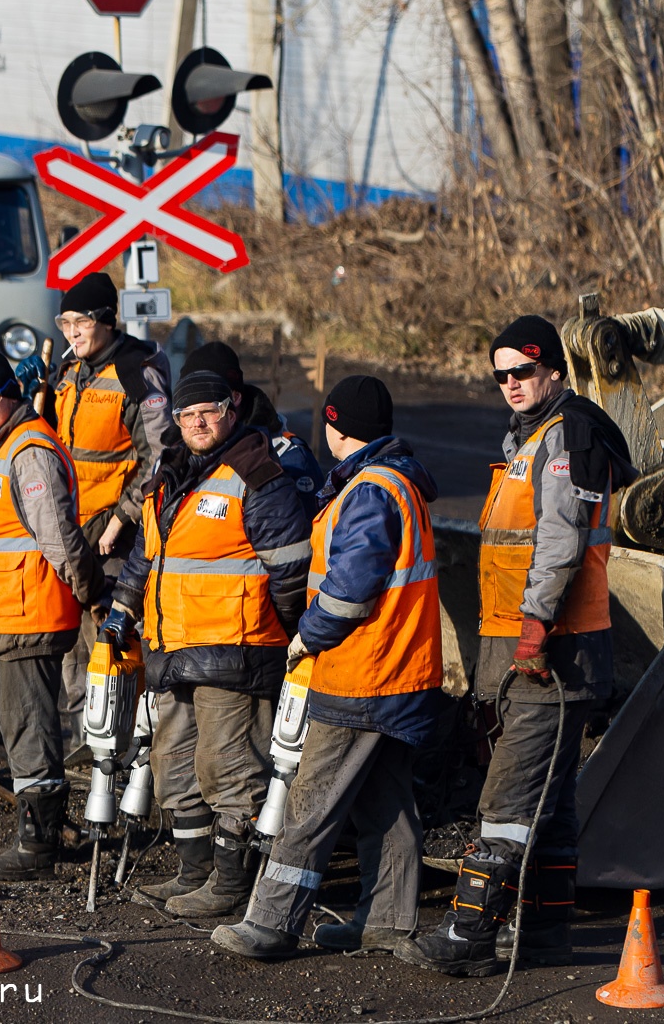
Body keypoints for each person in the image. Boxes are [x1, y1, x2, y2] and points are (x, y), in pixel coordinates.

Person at [395, 315, 634, 976]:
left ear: (554, 370)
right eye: (500, 375)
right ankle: (544, 935)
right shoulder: (527, 441)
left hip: (555, 656)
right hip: (525, 656)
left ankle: (470, 933)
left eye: (522, 371)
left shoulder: (566, 439)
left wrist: (533, 631)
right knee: (550, 803)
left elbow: (559, 543)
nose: (510, 384)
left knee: (507, 800)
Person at [212, 376, 446, 958]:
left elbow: (350, 588)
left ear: (336, 428)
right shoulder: (398, 482)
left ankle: (270, 922)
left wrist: (306, 637)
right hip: (400, 671)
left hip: (363, 670)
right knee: (384, 801)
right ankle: (389, 920)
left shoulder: (368, 490)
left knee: (312, 799)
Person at [104, 367, 311, 916]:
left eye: (207, 413)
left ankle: (228, 885)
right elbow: (146, 557)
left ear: (232, 408)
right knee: (175, 764)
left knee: (231, 768)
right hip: (173, 647)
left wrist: (285, 632)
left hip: (236, 650)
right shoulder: (172, 474)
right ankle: (193, 871)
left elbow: (291, 570)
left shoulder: (257, 474)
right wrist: (121, 612)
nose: (196, 424)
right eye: (185, 416)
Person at [0, 343, 109, 879]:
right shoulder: (4, 446)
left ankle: (37, 847)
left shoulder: (27, 451)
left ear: (11, 396)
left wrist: (91, 594)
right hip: (9, 615)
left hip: (30, 615)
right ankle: (39, 834)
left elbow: (61, 540)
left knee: (31, 728)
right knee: (24, 725)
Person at [17, 271, 174, 760]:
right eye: (64, 322)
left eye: (80, 321)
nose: (71, 332)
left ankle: (122, 752)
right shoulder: (68, 370)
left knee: (111, 640)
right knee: (72, 645)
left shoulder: (136, 371)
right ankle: (87, 744)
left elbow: (161, 456)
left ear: (106, 320)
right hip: (69, 528)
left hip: (112, 535)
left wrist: (121, 517)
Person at [179, 341, 325, 500]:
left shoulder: (285, 456)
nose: (198, 420)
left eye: (209, 404)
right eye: (189, 403)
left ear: (235, 397)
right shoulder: (175, 455)